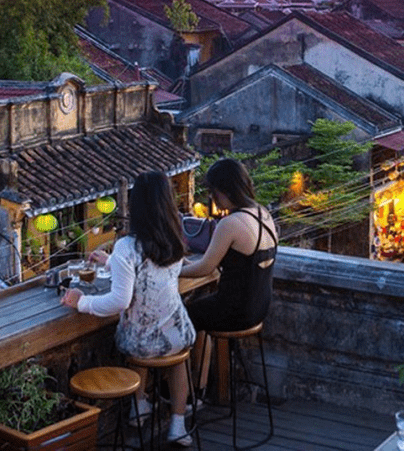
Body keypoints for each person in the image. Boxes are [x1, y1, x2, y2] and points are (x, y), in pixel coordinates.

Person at [61, 172, 196, 447]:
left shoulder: (127, 246)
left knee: (135, 341)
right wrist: (112, 262)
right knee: (178, 361)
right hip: (177, 334)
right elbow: (152, 272)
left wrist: (81, 302)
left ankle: (140, 405)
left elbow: (119, 301)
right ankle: (178, 426)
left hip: (140, 342)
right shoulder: (175, 240)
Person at [181, 158, 278, 377]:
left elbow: (206, 267)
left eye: (213, 191)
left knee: (185, 316)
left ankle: (189, 391)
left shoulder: (230, 223)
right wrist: (188, 264)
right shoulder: (263, 213)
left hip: (235, 310)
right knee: (200, 314)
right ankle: (199, 388)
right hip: (259, 307)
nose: (212, 198)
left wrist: (175, 271)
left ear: (224, 190)